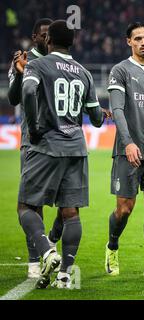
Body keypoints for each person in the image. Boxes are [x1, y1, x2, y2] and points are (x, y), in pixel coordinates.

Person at [19, 20, 109, 289]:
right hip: (76, 148)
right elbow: (95, 119)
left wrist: (34, 128)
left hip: (47, 146)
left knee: (26, 205)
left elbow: (27, 90)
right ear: (73, 43)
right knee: (71, 213)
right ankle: (66, 274)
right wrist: (100, 113)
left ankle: (47, 251)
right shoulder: (84, 72)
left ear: (48, 42)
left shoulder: (38, 65)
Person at [104, 22, 144, 278]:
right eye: (137, 38)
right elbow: (117, 109)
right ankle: (112, 246)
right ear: (128, 41)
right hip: (127, 150)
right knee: (124, 210)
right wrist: (128, 142)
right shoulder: (120, 70)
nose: (143, 42)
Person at [7, 18, 65, 279]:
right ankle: (36, 257)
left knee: (69, 203)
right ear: (35, 37)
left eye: (49, 34)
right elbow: (13, 98)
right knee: (33, 202)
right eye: (43, 34)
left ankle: (51, 240)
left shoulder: (62, 61)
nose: (46, 38)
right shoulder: (24, 60)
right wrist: (20, 74)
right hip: (33, 141)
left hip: (63, 140)